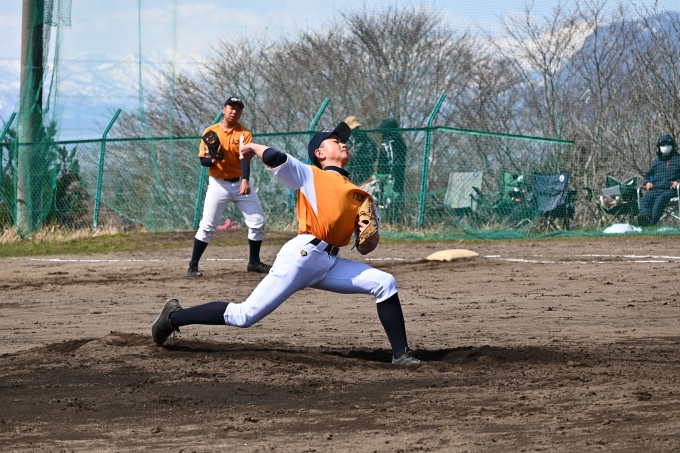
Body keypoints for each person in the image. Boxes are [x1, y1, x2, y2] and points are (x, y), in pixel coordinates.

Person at [152, 121, 423, 365]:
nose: (342, 143)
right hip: (302, 255)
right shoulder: (310, 175)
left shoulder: (360, 195)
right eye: (334, 140)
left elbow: (364, 247)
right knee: (244, 316)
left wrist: (370, 235)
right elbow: (276, 158)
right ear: (319, 153)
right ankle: (173, 317)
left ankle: (401, 355)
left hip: (330, 262)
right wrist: (252, 147)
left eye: (343, 140)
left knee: (385, 283)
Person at [188, 97, 271, 277]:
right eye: (231, 108)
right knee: (208, 225)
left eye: (238, 110)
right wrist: (214, 159)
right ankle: (193, 265)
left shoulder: (244, 133)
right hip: (218, 185)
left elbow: (245, 159)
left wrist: (245, 180)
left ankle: (254, 263)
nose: (234, 112)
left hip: (240, 181)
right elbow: (203, 161)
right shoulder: (211, 131)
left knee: (258, 222)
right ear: (223, 109)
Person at [637, 134, 680, 226]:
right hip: (656, 189)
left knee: (660, 199)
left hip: (672, 191)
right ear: (659, 147)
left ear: (672, 145)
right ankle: (644, 218)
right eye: (663, 144)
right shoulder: (657, 162)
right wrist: (648, 182)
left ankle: (652, 222)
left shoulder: (678, 159)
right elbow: (649, 174)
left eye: (668, 144)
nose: (665, 146)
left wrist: (678, 181)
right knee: (646, 198)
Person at [376, 118, 408, 219]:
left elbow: (393, 159)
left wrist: (391, 174)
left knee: (389, 199)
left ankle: (390, 219)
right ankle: (393, 218)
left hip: (389, 177)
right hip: (397, 175)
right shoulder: (399, 140)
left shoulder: (389, 142)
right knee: (394, 198)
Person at [344, 115, 377, 186]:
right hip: (348, 175)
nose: (355, 130)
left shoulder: (367, 140)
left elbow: (373, 157)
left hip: (364, 174)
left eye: (356, 128)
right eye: (353, 128)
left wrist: (357, 156)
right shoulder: (343, 141)